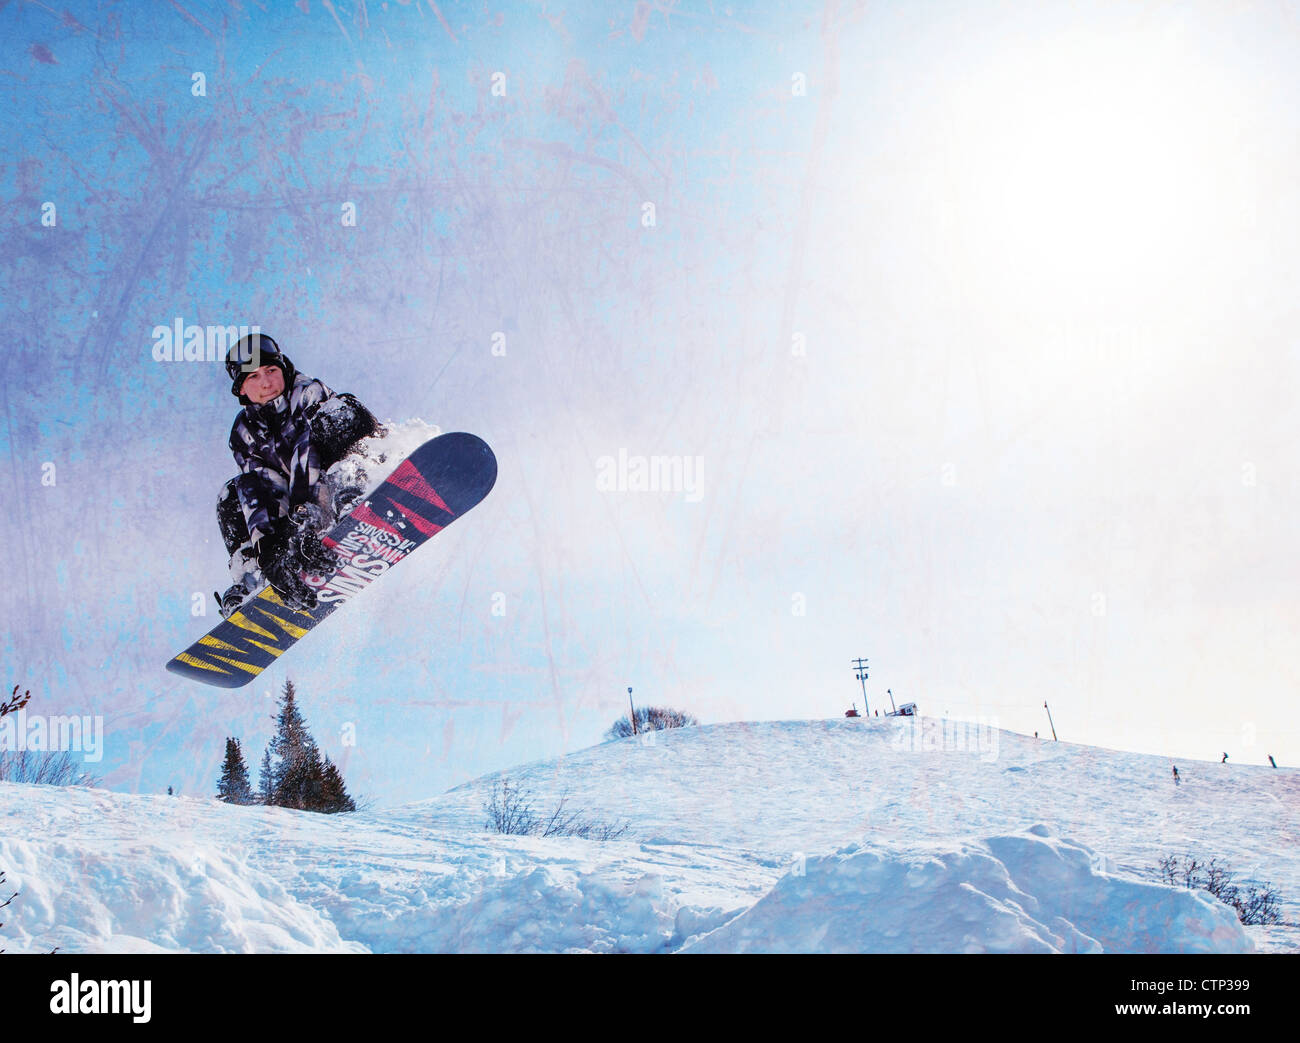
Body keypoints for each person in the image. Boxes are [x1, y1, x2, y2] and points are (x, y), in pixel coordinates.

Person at [216, 333, 380, 617]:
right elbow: (262, 486)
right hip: (301, 520)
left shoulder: (306, 392)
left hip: (337, 486)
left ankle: (353, 501)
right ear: (241, 389)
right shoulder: (243, 434)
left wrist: (306, 516)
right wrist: (271, 550)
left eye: (271, 371)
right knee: (234, 492)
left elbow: (308, 452)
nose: (266, 382)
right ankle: (254, 576)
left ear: (284, 368)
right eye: (253, 377)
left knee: (339, 412)